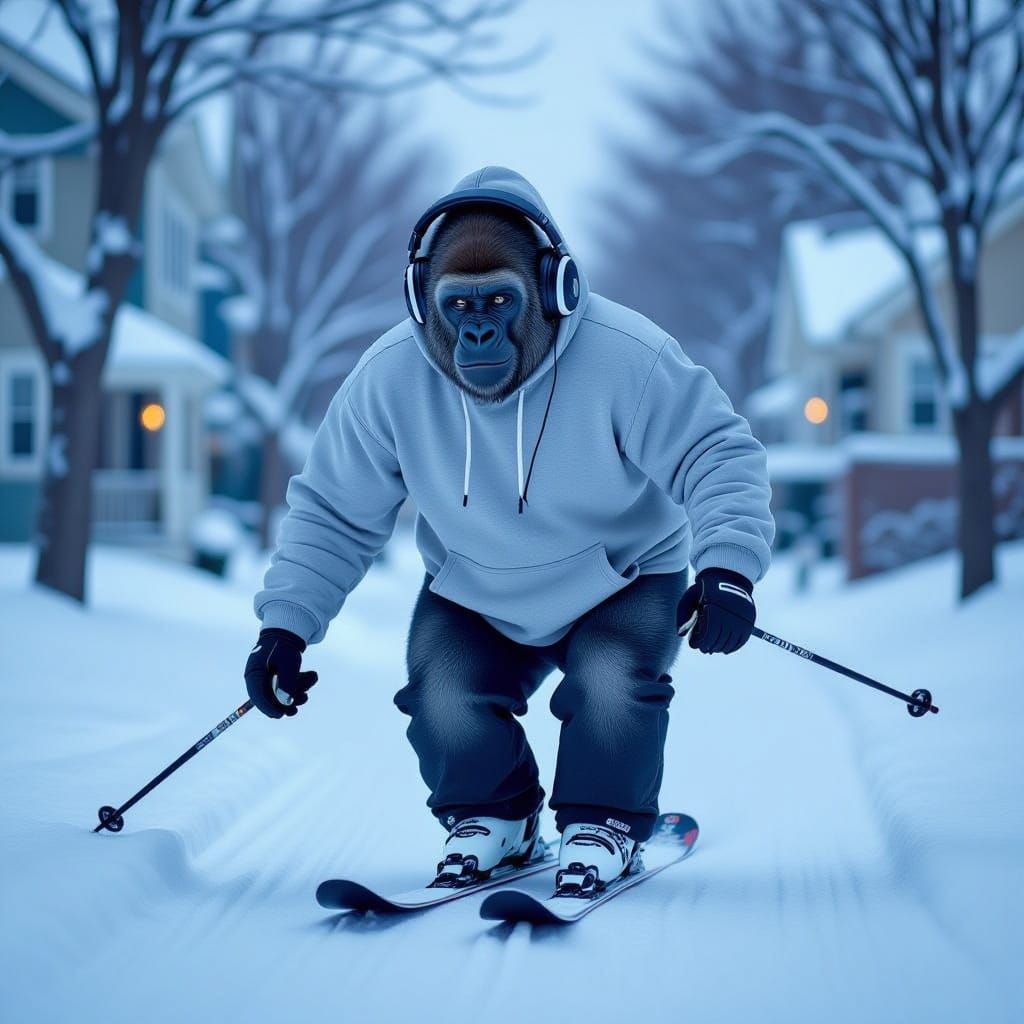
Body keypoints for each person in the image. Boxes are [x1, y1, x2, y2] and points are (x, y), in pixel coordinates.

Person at [245, 167, 774, 894]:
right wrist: (285, 627)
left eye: (499, 301)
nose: (478, 328)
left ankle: (604, 822)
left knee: (611, 687)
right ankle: (497, 817)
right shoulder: (390, 379)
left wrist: (728, 568)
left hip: (621, 580)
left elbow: (715, 453)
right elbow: (334, 510)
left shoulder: (628, 357)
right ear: (421, 302)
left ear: (554, 291)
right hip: (475, 588)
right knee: (443, 695)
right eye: (458, 306)